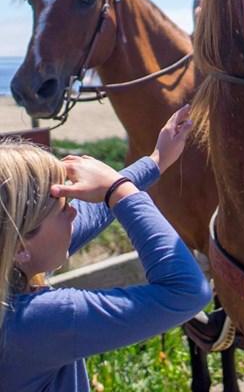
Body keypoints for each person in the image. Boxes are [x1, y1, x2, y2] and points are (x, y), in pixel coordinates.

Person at [0, 105, 212, 391]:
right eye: (63, 208)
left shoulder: (12, 271)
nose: (74, 213)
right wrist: (119, 190)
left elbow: (90, 215)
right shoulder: (43, 320)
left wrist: (156, 161)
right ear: (20, 247)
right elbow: (187, 292)